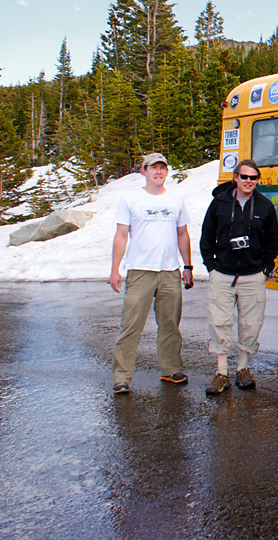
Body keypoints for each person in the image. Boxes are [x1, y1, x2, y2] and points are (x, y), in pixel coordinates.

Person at [109, 152, 194, 395]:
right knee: (131, 325)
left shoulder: (176, 199)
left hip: (169, 271)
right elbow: (121, 235)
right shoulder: (131, 199)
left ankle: (171, 369)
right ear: (143, 171)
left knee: (170, 324)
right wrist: (115, 270)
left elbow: (182, 234)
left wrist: (187, 267)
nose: (158, 172)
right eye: (153, 168)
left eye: (162, 168)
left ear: (167, 172)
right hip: (140, 270)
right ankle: (122, 376)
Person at [199, 159, 278, 396]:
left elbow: (272, 241)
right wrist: (211, 267)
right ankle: (221, 371)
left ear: (258, 180)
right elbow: (206, 237)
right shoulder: (219, 204)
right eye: (244, 177)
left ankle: (243, 369)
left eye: (253, 178)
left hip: (253, 275)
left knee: (250, 323)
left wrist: (266, 268)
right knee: (219, 322)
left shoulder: (264, 206)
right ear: (235, 177)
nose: (249, 181)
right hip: (223, 274)